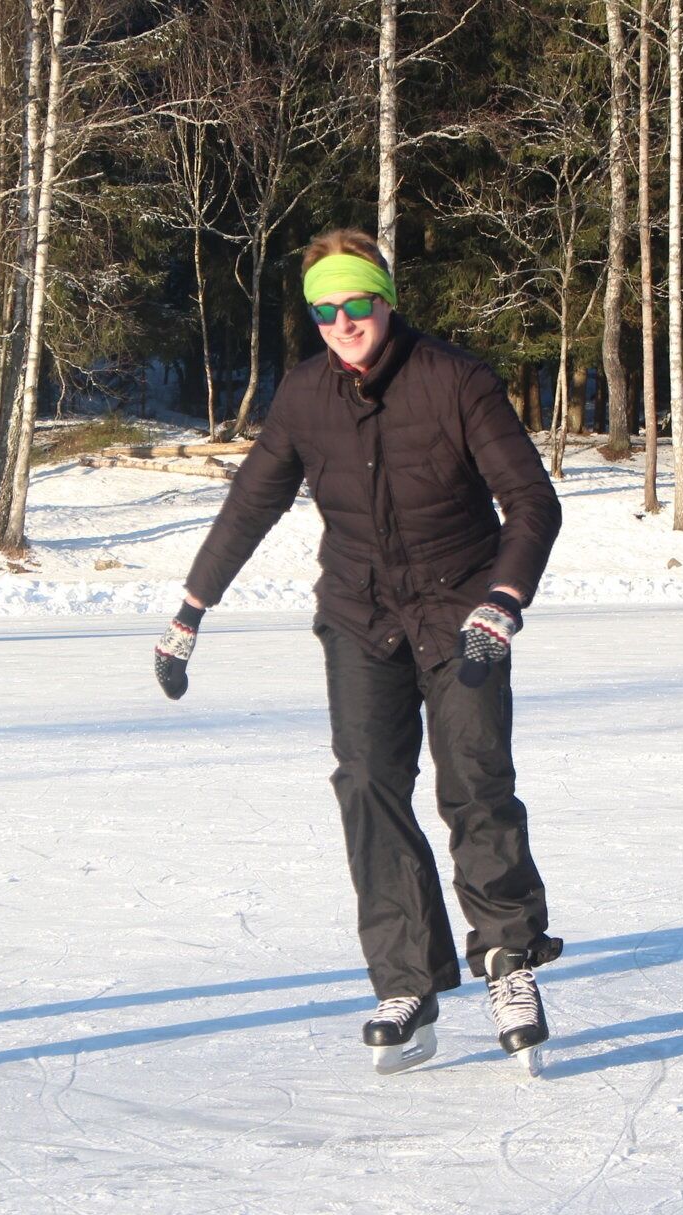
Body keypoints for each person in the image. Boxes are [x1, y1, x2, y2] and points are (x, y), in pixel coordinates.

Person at [155, 229, 564, 1075]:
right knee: (368, 783)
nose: (342, 322)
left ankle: (508, 960)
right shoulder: (305, 397)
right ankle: (406, 980)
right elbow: (248, 506)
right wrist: (192, 607)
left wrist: (503, 600)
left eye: (355, 303)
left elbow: (530, 501)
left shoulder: (458, 381)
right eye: (324, 310)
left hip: (462, 614)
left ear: (384, 298)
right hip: (358, 615)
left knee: (475, 779)